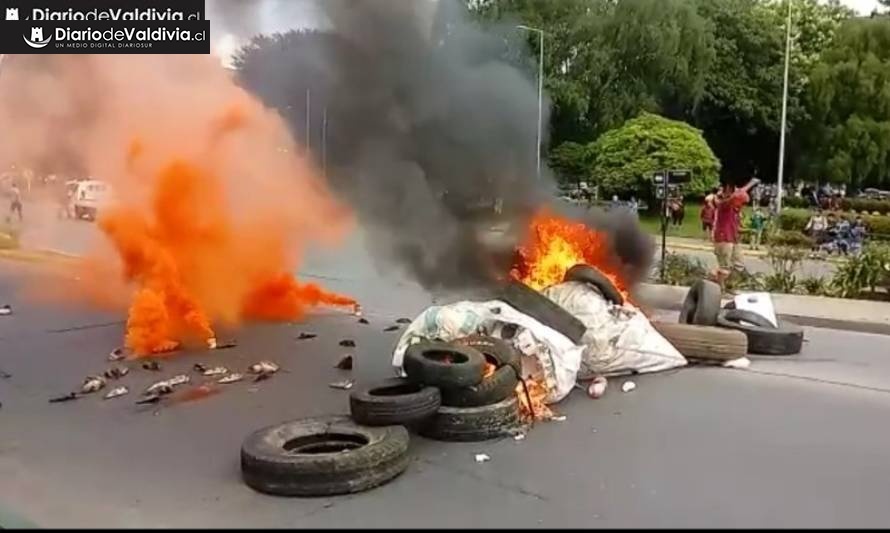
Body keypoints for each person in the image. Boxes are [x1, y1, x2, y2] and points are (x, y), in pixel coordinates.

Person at [713, 177, 760, 286]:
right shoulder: (724, 205)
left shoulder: (735, 212)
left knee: (739, 265)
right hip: (723, 239)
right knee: (724, 267)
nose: (741, 205)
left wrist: (749, 230)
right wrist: (750, 184)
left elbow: (737, 229)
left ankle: (729, 286)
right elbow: (735, 196)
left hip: (733, 240)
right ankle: (720, 287)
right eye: (741, 202)